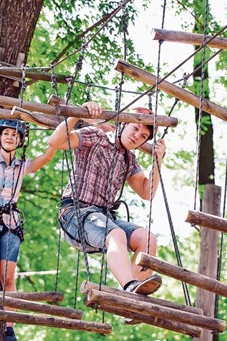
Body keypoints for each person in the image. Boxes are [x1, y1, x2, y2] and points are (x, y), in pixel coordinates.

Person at [48, 101, 166, 298]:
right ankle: (129, 286)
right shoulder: (96, 135)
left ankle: (134, 300)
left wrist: (157, 160)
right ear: (123, 124)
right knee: (116, 234)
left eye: (143, 136)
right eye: (135, 128)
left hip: (103, 219)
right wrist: (76, 114)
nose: (137, 136)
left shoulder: (129, 159)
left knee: (147, 239)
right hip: (75, 214)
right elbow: (55, 141)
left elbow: (147, 192)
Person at [0, 107, 56, 341]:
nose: (9, 137)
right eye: (6, 133)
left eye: (14, 135)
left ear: (20, 141)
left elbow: (46, 158)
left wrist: (58, 137)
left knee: (8, 278)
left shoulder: (22, 167)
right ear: (0, 137)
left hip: (10, 222)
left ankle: (9, 330)